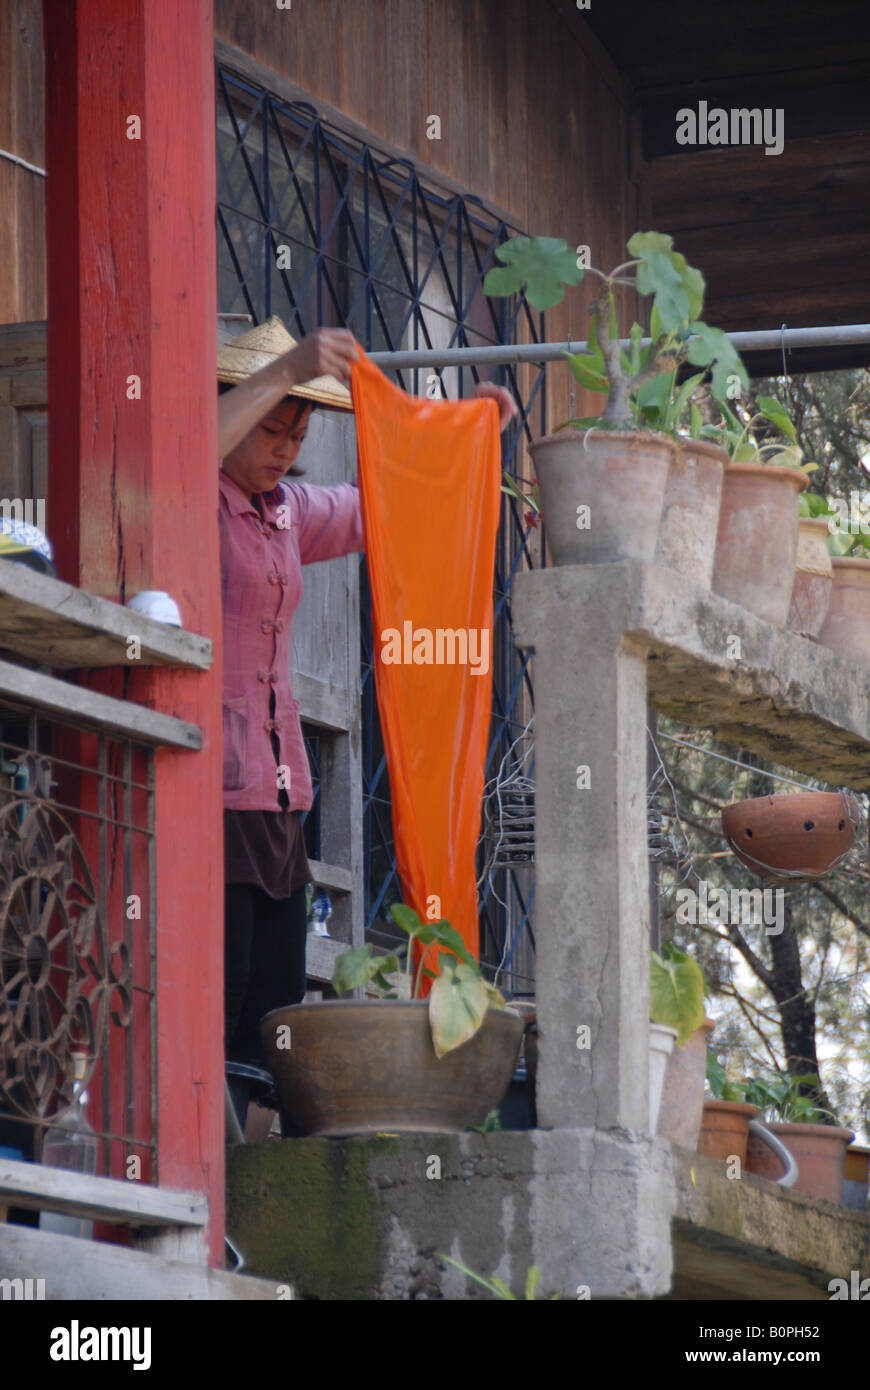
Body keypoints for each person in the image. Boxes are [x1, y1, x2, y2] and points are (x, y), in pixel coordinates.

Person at [217, 316, 517, 1074]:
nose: (284, 449)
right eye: (270, 430)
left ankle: (252, 1175)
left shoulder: (288, 512)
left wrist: (474, 433)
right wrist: (289, 367)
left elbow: (389, 499)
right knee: (213, 996)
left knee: (271, 1020)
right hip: (213, 790)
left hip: (283, 797)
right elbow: (185, 445)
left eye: (297, 434)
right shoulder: (190, 496)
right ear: (238, 412)